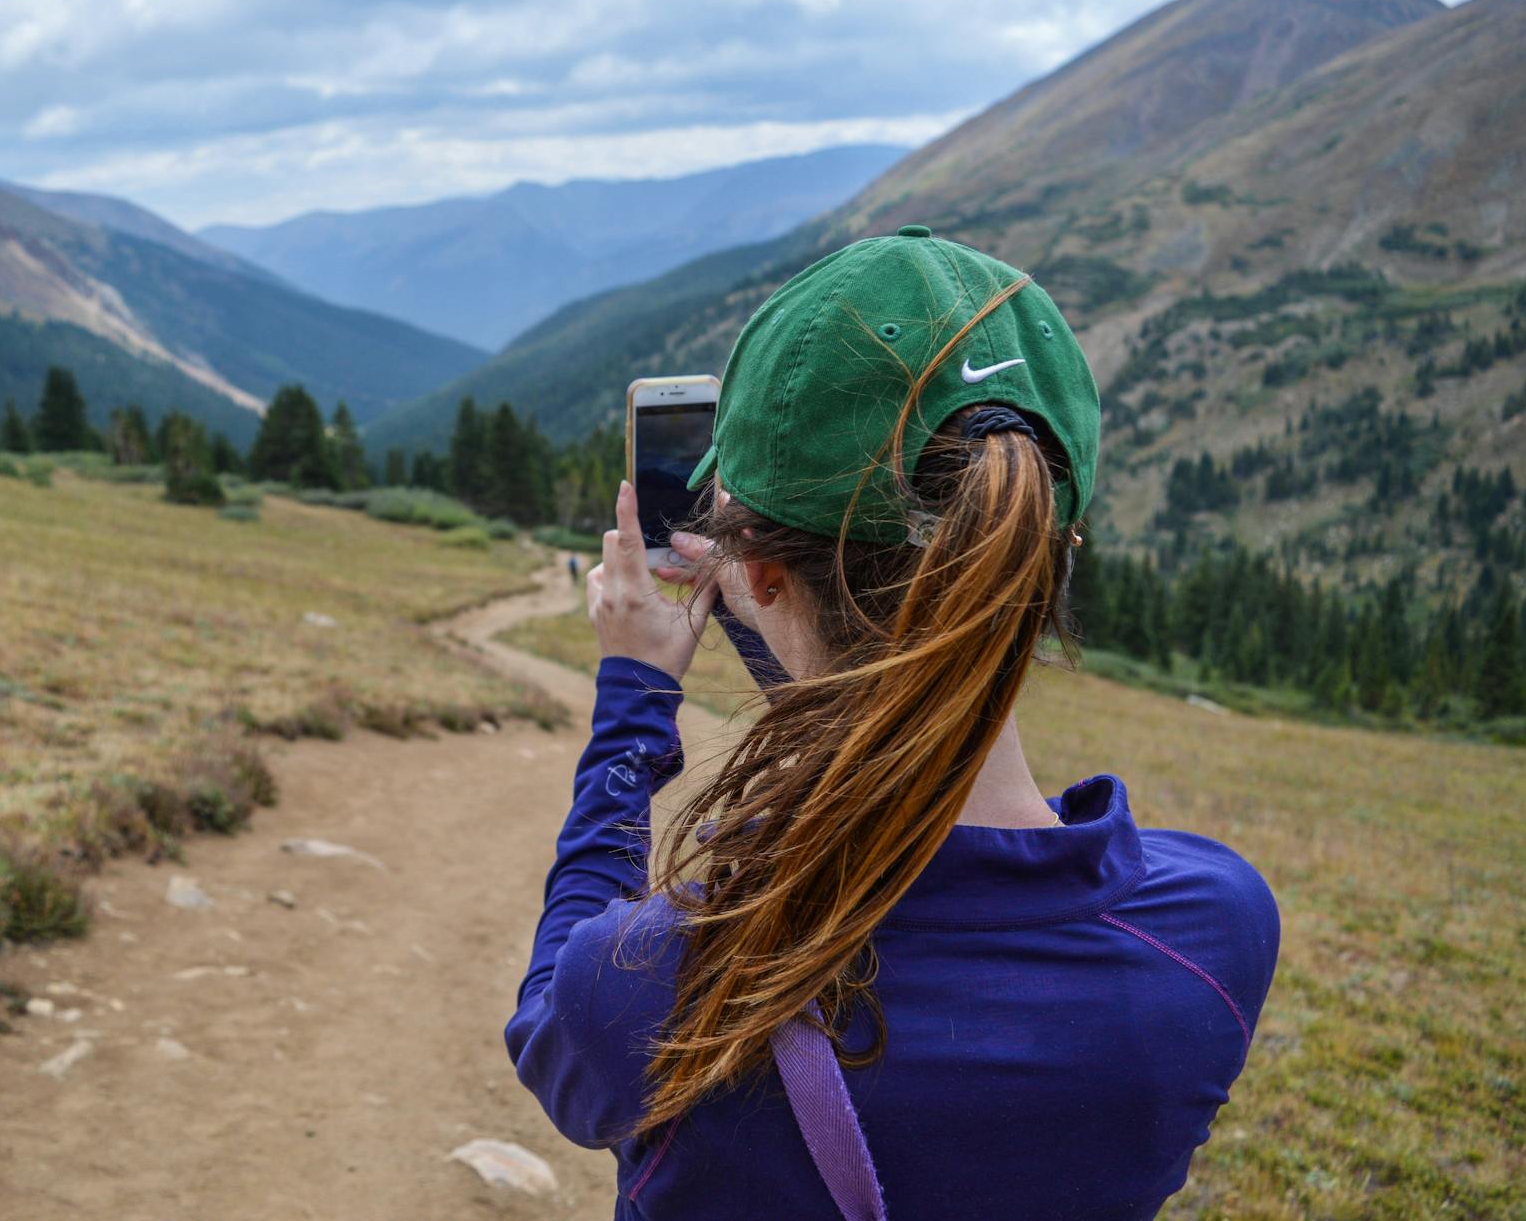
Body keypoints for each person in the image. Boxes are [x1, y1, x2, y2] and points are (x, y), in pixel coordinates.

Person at [505, 227, 1279, 1220]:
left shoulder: (666, 981)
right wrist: (766, 593)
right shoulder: (1208, 932)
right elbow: (897, 709)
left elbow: (548, 1029)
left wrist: (631, 695)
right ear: (1045, 559)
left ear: (757, 569)